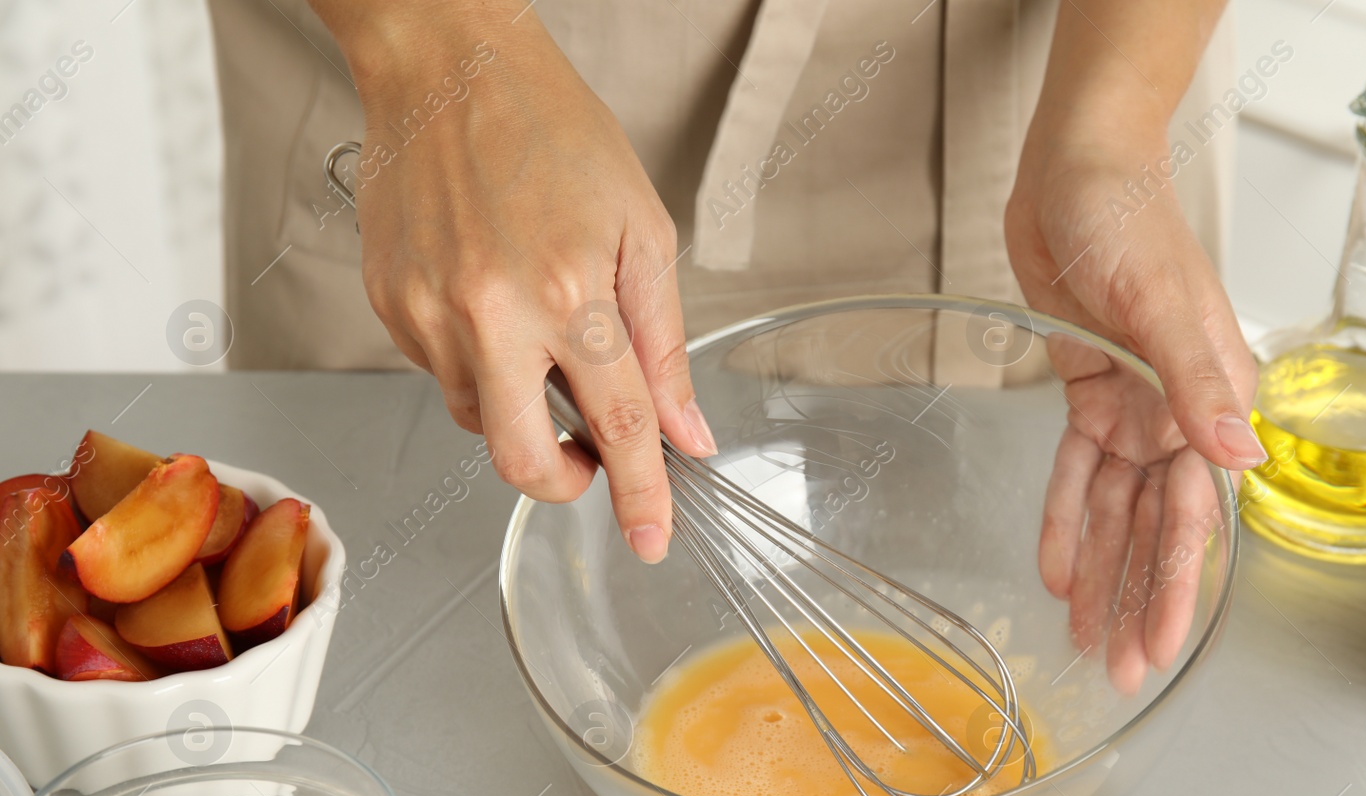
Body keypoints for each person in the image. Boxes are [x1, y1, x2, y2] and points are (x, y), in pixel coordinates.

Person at [207, 0, 1263, 687]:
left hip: (1052, 72)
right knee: (388, 687)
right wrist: (436, 54)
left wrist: (1108, 125)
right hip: (462, 86)